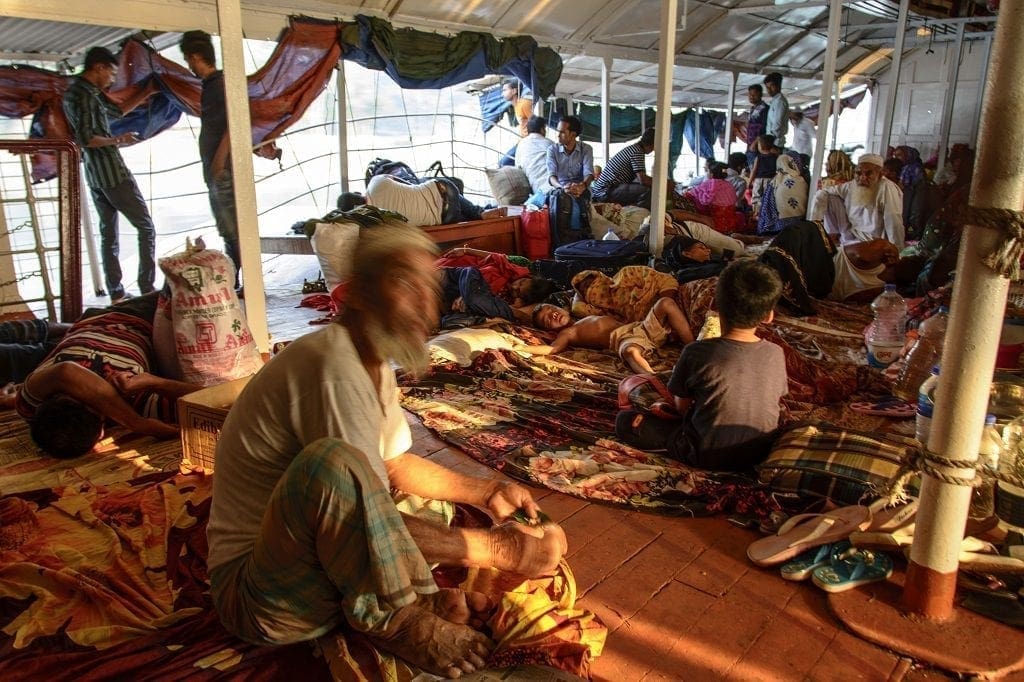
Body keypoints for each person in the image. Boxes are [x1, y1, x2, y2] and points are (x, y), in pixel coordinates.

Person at [207, 222, 567, 678]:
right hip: (260, 600)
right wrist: (501, 550)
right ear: (355, 293)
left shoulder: (371, 363)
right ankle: (401, 621)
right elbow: (367, 517)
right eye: (403, 283)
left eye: (430, 287)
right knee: (334, 465)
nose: (424, 304)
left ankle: (411, 599)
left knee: (434, 509)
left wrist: (485, 491)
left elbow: (394, 464)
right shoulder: (332, 370)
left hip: (310, 564)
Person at [615, 259, 788, 471]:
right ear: (769, 315)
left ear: (715, 304)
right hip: (760, 453)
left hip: (704, 453)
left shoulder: (696, 352)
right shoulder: (776, 353)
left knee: (625, 421)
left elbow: (681, 407)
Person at [14, 292, 201, 458]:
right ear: (103, 433)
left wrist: (137, 423)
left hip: (89, 321)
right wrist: (154, 382)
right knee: (194, 287)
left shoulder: (30, 403)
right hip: (140, 320)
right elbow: (215, 401)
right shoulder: (133, 397)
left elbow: (66, 372)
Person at [62, 46, 157, 304]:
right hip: (112, 172)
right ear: (99, 67)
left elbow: (117, 111)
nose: (113, 79)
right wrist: (119, 139)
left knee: (109, 233)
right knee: (146, 227)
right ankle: (148, 288)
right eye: (111, 73)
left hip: (94, 176)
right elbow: (85, 138)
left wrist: (146, 92)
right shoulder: (85, 97)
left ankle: (116, 292)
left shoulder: (82, 92)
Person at [179, 31, 242, 292]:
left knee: (233, 229)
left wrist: (219, 160)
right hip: (217, 169)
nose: (189, 66)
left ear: (195, 57)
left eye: (188, 60)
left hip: (222, 169)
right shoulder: (213, 85)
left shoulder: (218, 85)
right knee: (228, 228)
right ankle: (235, 280)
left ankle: (239, 280)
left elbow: (233, 123)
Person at [528, 297, 695, 374]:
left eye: (551, 308)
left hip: (640, 328)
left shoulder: (580, 312)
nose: (552, 314)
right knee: (630, 352)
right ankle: (654, 381)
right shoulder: (568, 333)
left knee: (665, 303)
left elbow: (579, 293)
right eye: (547, 319)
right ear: (549, 329)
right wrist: (518, 346)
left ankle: (693, 347)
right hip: (624, 339)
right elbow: (552, 349)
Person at [810, 152, 906, 249]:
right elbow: (825, 192)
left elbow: (894, 221)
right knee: (828, 196)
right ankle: (831, 237)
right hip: (850, 236)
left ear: (880, 175)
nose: (863, 178)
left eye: (869, 173)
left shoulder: (887, 188)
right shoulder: (852, 185)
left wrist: (897, 250)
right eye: (859, 173)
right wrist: (814, 225)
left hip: (874, 241)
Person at [365, 174, 505, 227]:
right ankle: (480, 211)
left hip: (444, 218)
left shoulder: (375, 222)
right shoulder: (375, 182)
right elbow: (403, 181)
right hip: (445, 189)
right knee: (428, 185)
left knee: (459, 215)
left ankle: (479, 213)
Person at [591, 128, 664, 209]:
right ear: (652, 144)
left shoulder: (634, 149)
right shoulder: (637, 151)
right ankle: (634, 214)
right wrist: (663, 184)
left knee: (645, 189)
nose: (654, 150)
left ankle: (631, 209)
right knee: (648, 192)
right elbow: (643, 180)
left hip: (605, 190)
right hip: (605, 191)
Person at [545, 115, 595, 232]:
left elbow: (589, 173)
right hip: (561, 188)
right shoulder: (552, 150)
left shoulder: (586, 149)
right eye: (558, 131)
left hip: (582, 189)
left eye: (562, 132)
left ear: (573, 134)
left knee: (576, 205)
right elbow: (551, 176)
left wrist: (582, 186)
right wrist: (562, 188)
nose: (558, 135)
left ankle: (575, 236)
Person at [756, 150, 809, 236]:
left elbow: (766, 205)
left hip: (776, 226)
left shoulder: (775, 180)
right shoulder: (800, 180)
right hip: (799, 224)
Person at [682, 161, 741, 233]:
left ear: (711, 174)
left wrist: (688, 193)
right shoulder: (729, 185)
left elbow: (694, 194)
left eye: (708, 171)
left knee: (691, 197)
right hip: (731, 223)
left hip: (714, 222)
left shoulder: (709, 183)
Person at [893, 145, 933, 240]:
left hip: (913, 198)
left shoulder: (909, 168)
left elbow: (902, 186)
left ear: (908, 155)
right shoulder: (917, 166)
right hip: (915, 198)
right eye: (895, 155)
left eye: (899, 155)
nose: (896, 158)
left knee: (912, 220)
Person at [515, 115, 556, 195]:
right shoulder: (550, 144)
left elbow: (518, 167)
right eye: (544, 128)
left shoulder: (521, 145)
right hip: (556, 188)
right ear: (542, 129)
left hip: (537, 191)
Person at [498, 79, 534, 166]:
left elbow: (536, 122)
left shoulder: (525, 103)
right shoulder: (516, 105)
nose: (503, 93)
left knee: (504, 163)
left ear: (514, 91)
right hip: (522, 141)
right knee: (503, 163)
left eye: (505, 90)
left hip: (528, 142)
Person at [747, 135, 779, 218]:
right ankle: (765, 214)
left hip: (759, 180)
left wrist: (749, 182)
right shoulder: (775, 157)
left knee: (756, 197)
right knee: (767, 197)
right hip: (770, 180)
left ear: (761, 146)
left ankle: (756, 213)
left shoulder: (759, 157)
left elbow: (754, 170)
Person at [745, 84, 770, 169]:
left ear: (760, 94)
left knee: (756, 169)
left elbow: (764, 128)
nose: (751, 96)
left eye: (754, 94)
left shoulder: (765, 109)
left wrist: (755, 143)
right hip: (750, 144)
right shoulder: (752, 109)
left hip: (759, 145)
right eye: (750, 94)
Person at [762, 72, 790, 149]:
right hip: (772, 142)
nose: (769, 90)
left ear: (779, 85)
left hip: (775, 144)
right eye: (767, 87)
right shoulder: (775, 100)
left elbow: (777, 124)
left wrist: (769, 142)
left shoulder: (780, 101)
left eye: (771, 86)